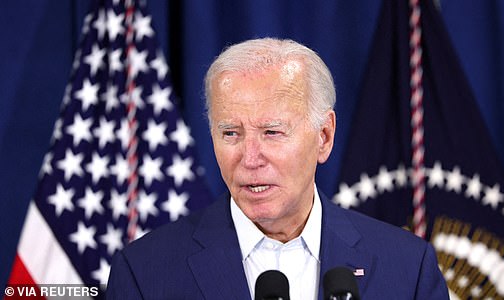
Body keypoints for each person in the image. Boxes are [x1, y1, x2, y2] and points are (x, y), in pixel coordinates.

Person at [106, 38, 448, 299]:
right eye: (230, 133)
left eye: (272, 132)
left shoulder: (407, 269)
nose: (250, 157)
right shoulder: (145, 274)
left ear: (324, 137)